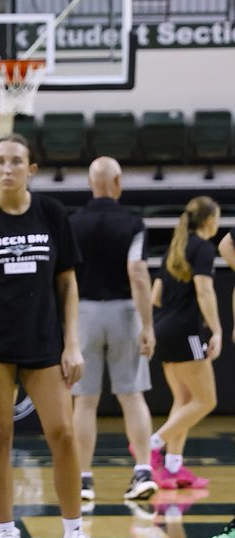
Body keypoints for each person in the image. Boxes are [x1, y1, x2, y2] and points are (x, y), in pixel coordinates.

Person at [0, 134, 108, 538]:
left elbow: (68, 283)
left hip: (44, 345)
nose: (7, 168)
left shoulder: (52, 214)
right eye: (0, 161)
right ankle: (3, 534)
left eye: (16, 161)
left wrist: (72, 342)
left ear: (31, 169)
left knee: (64, 435)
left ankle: (74, 535)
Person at [68, 156, 159, 505]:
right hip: (123, 312)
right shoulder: (132, 223)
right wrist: (147, 325)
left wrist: (67, 328)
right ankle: (142, 471)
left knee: (85, 400)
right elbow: (137, 273)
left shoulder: (73, 223)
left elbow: (66, 278)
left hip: (84, 312)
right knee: (132, 395)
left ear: (91, 184)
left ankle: (83, 480)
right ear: (117, 182)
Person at [147, 196, 223, 490]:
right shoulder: (202, 247)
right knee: (206, 401)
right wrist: (216, 330)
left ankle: (173, 468)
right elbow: (204, 292)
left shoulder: (175, 249)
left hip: (163, 329)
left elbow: (155, 296)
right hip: (186, 332)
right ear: (209, 221)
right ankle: (152, 445)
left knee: (184, 401)